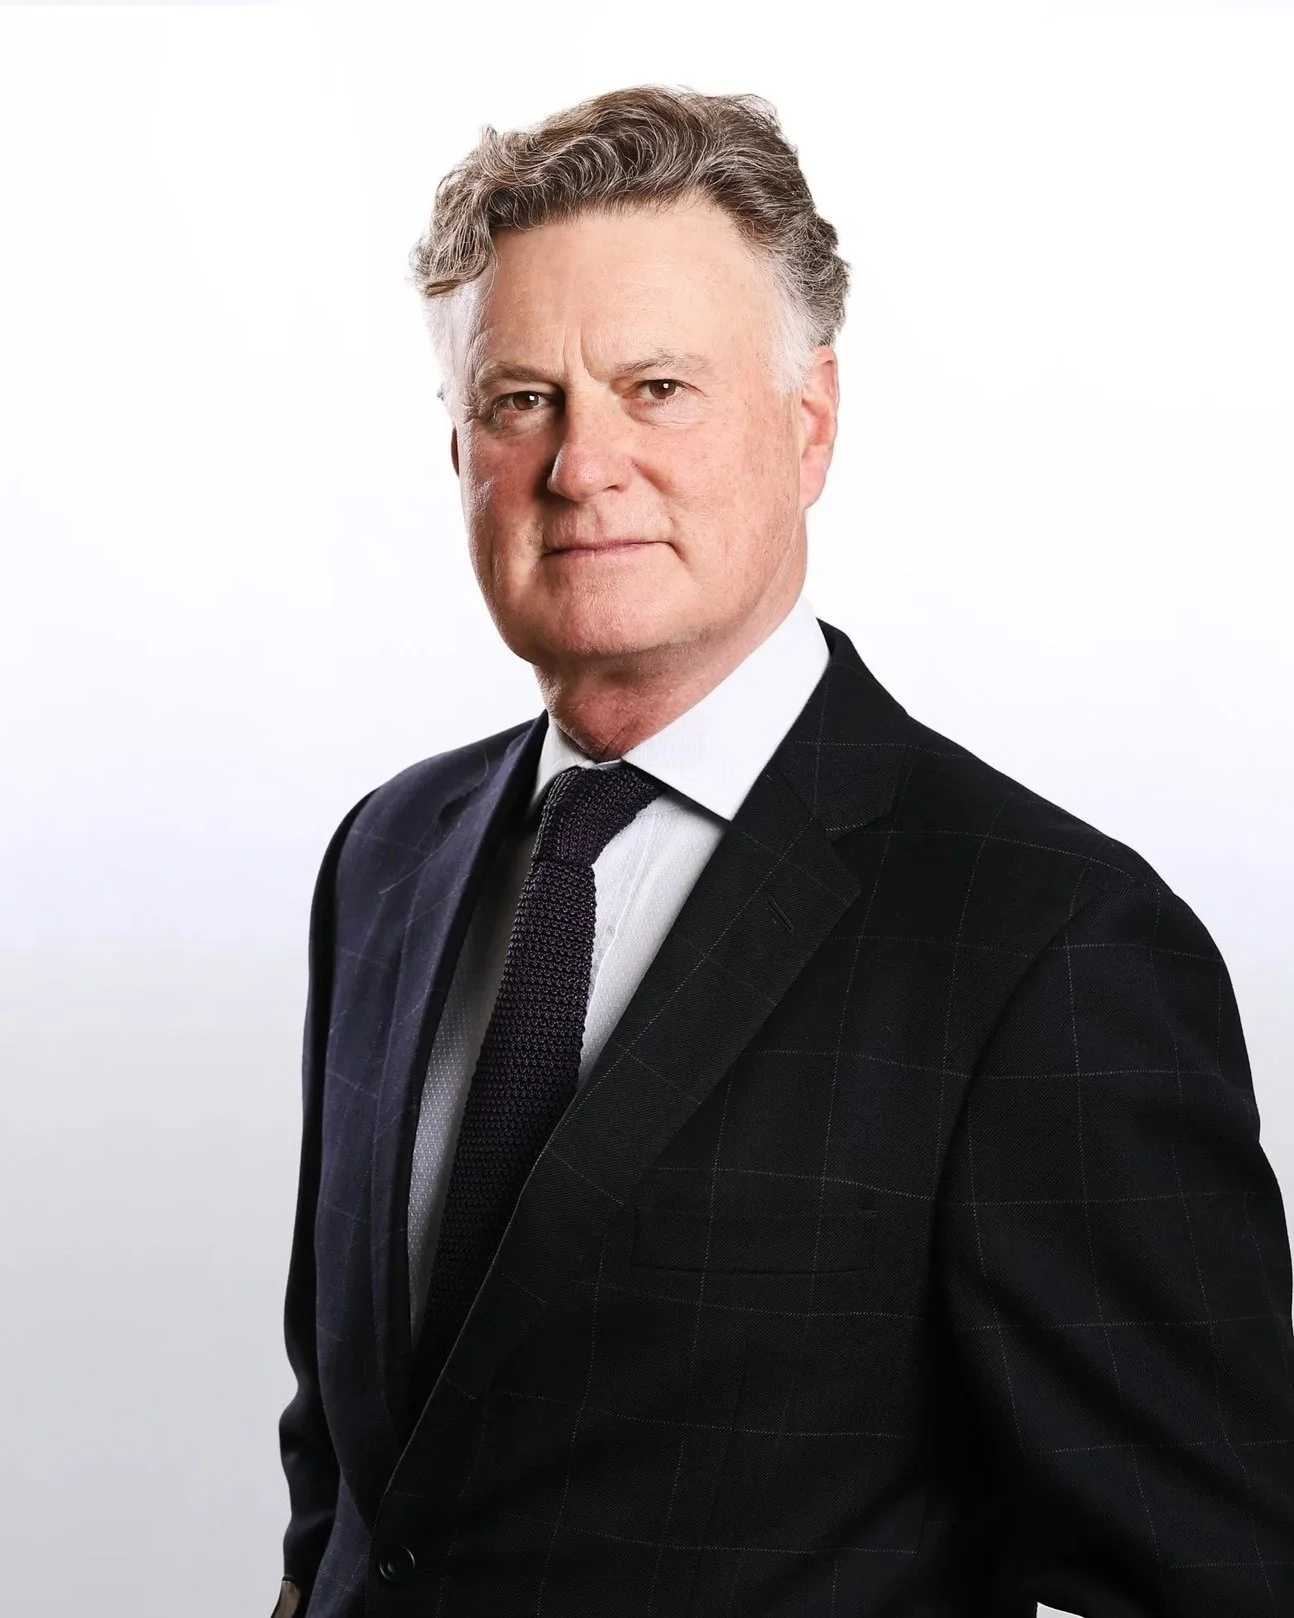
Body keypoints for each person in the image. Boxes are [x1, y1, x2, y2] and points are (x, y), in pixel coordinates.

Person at [272, 86, 1294, 1618]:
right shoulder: (387, 859)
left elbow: (1220, 1574)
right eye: (522, 399)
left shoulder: (1047, 945)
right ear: (460, 447)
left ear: (808, 423)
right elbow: (353, 1464)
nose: (582, 464)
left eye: (657, 388)